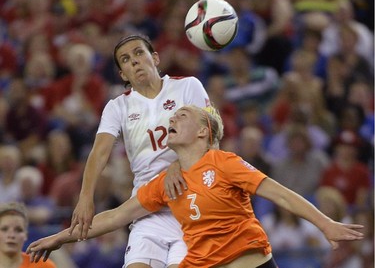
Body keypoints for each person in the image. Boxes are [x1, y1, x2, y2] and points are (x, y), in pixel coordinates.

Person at [27, 105, 364, 268]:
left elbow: (278, 193)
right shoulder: (165, 183)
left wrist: (326, 224)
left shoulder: (224, 162)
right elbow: (115, 217)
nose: (172, 119)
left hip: (248, 262)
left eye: (182, 116)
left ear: (204, 132)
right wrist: (62, 236)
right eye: (172, 118)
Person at [67, 34, 211, 268]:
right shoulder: (118, 107)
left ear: (155, 58)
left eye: (138, 53)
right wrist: (85, 197)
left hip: (190, 201)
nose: (133, 61)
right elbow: (99, 153)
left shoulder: (187, 86)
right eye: (125, 59)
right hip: (146, 207)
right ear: (123, 74)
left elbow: (212, 136)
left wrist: (180, 164)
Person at [0, 201, 56, 268]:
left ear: (26, 235)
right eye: (4, 229)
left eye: (18, 230)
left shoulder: (45, 266)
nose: (11, 235)